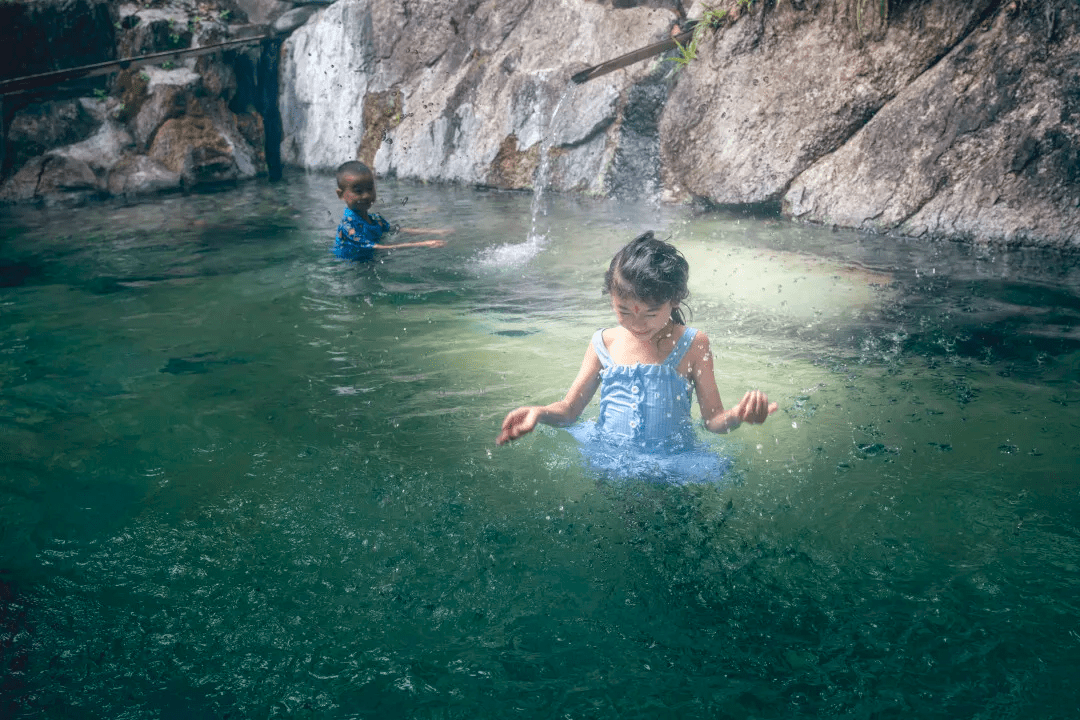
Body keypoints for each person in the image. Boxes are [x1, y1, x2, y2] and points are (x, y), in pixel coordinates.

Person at [496, 231, 778, 482]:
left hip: (674, 463)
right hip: (611, 460)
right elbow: (570, 410)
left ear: (675, 299)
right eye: (624, 311)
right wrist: (539, 412)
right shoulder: (603, 343)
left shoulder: (693, 344)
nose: (637, 324)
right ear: (611, 298)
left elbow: (713, 421)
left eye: (651, 313)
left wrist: (738, 416)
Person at [334, 161, 450, 260]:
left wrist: (435, 232)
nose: (366, 195)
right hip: (349, 265)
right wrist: (422, 244)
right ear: (341, 194)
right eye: (358, 191)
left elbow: (396, 230)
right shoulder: (348, 226)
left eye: (370, 189)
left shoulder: (375, 219)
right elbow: (376, 247)